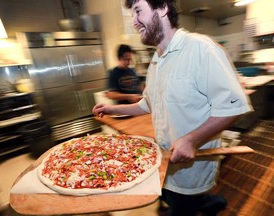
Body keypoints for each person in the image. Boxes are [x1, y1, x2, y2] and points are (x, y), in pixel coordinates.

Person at [93, 0, 252, 215]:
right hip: (164, 161)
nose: (134, 21)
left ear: (162, 8)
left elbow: (235, 106)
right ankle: (209, 203)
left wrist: (191, 140)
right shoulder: (156, 62)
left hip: (191, 167)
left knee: (181, 207)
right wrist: (113, 110)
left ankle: (207, 203)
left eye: (138, 11)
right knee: (170, 198)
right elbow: (147, 104)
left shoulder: (201, 48)